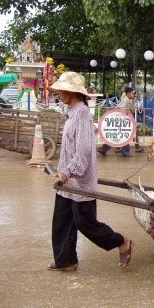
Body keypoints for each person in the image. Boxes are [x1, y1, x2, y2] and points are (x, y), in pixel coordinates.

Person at [46, 71, 133, 271]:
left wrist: (68, 172)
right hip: (67, 181)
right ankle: (66, 260)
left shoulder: (82, 113)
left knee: (85, 223)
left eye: (62, 90)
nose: (59, 93)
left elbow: (84, 150)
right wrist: (63, 173)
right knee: (61, 220)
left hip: (79, 179)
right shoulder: (71, 112)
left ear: (73, 92)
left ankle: (122, 241)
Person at [98, 87, 142, 157]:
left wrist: (133, 100)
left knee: (119, 135)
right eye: (133, 93)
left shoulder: (127, 100)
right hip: (122, 120)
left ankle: (104, 149)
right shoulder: (125, 101)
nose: (134, 95)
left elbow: (131, 109)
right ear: (128, 93)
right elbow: (123, 110)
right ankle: (125, 152)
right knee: (125, 135)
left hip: (121, 120)